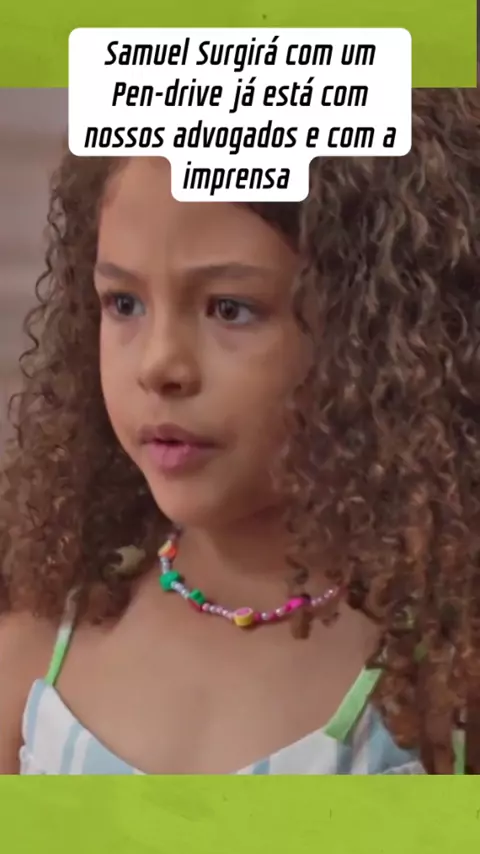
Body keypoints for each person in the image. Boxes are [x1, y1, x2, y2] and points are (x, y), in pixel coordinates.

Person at [0, 87, 479, 776]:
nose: (159, 364)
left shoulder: (439, 688)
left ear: (380, 335)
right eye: (124, 302)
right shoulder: (38, 652)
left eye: (230, 308)